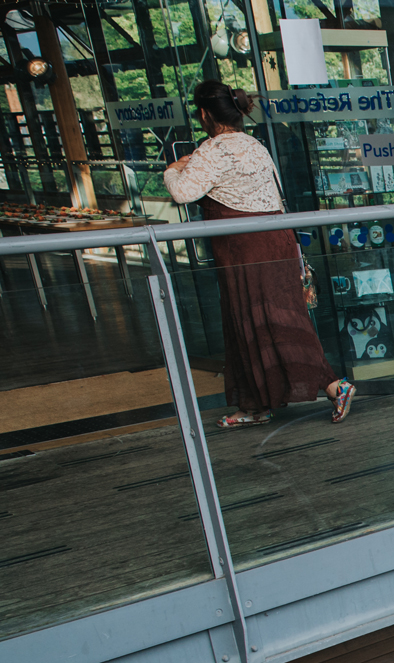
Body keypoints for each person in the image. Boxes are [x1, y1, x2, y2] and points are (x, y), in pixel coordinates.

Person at [163, 80, 355, 428]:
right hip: (276, 240)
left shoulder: (212, 150)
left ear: (204, 115)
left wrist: (172, 168)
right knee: (278, 316)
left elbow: (182, 193)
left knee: (252, 321)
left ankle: (333, 386)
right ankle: (256, 404)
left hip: (242, 248)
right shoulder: (256, 146)